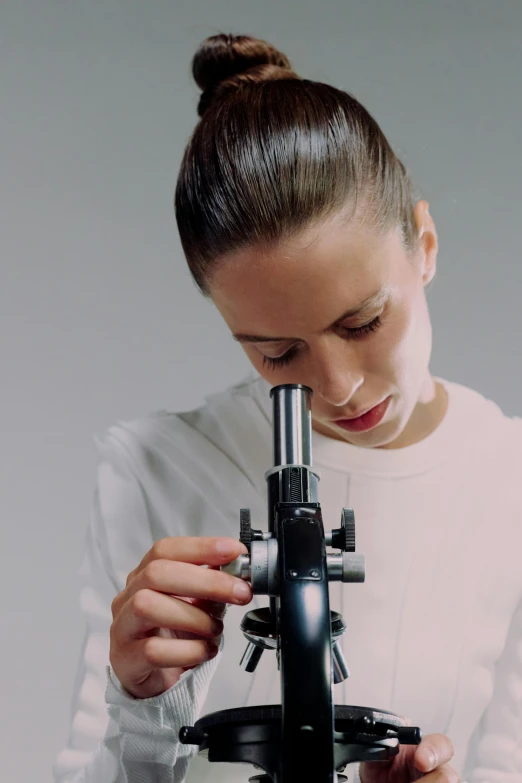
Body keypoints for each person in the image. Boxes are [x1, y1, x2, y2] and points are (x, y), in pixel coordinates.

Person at [53, 33, 522, 783]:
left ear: (425, 243)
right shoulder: (152, 470)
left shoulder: (511, 479)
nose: (337, 387)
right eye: (277, 352)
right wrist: (141, 709)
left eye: (362, 323)